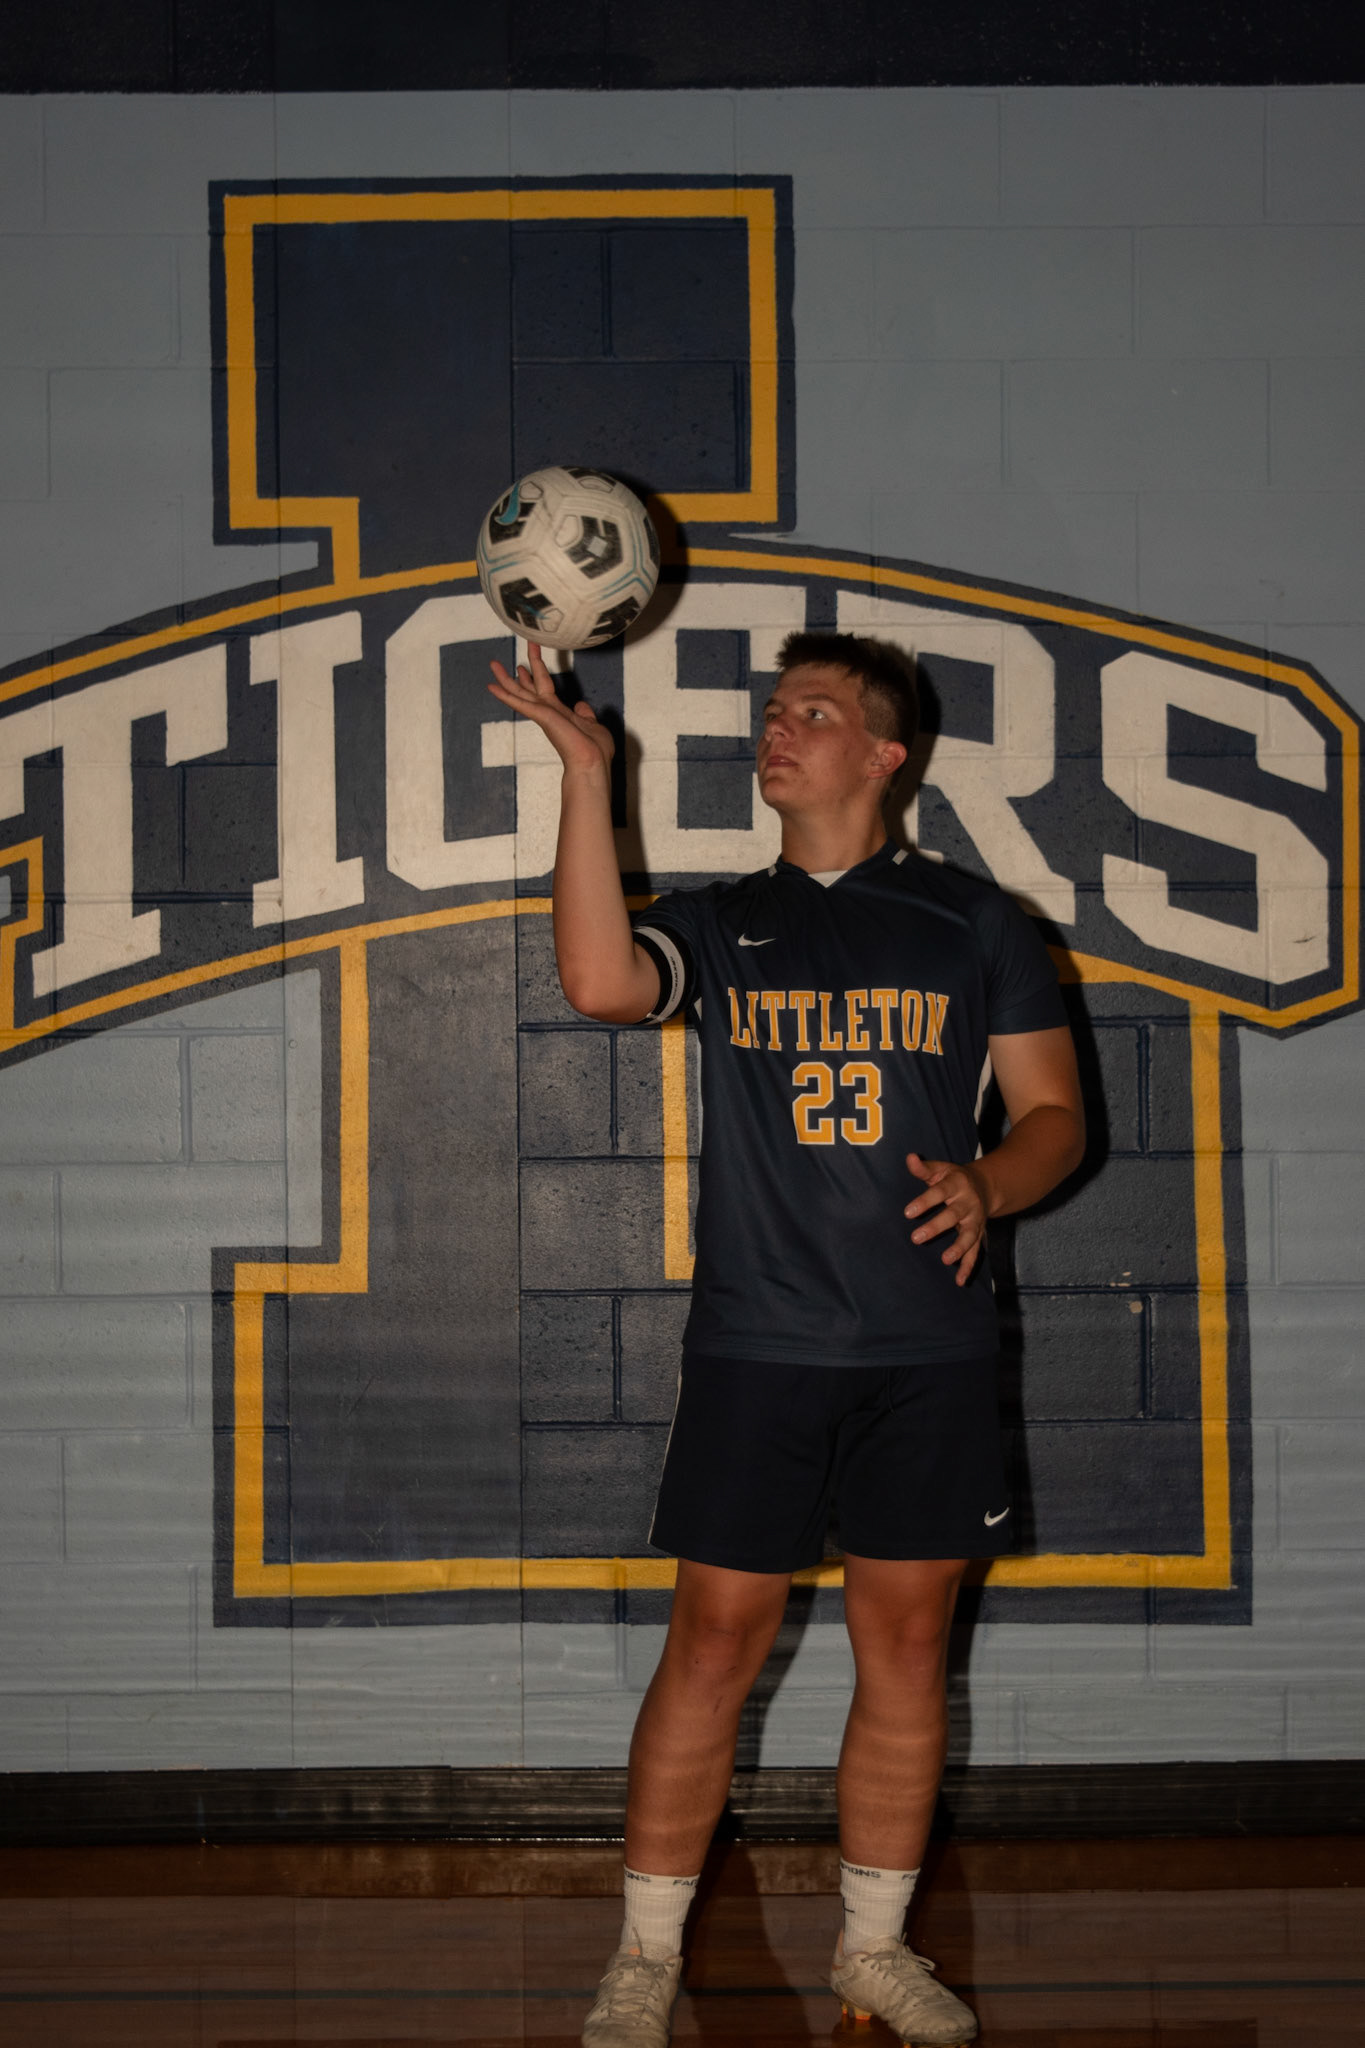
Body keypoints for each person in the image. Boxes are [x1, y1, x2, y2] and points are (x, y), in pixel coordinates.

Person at [488, 630, 1085, 2048]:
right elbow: (600, 982)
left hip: (927, 1349)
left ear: (884, 754)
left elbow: (1057, 1117)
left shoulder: (975, 922)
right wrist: (586, 773)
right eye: (772, 713)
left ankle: (873, 1949)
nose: (778, 730)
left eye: (810, 712)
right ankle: (645, 1957)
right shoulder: (723, 920)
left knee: (908, 1643)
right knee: (712, 1642)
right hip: (758, 1343)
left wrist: (990, 1185)